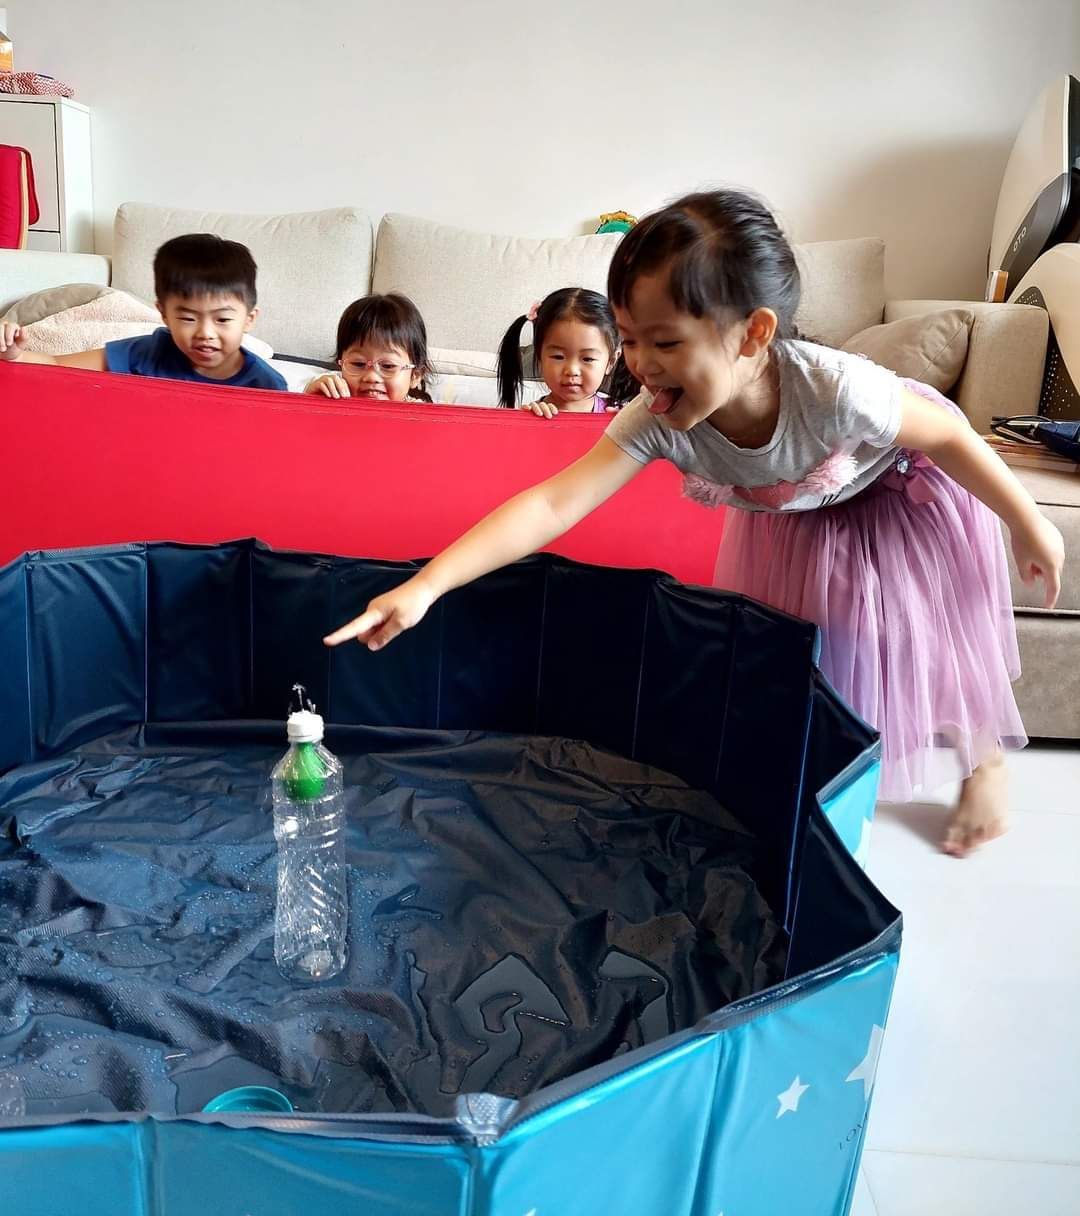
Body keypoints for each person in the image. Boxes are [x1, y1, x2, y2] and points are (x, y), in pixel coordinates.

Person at [323, 190, 1065, 857]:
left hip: (895, 501)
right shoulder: (662, 417)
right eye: (630, 339)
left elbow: (947, 435)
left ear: (752, 333)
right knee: (817, 660)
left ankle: (984, 760)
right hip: (795, 523)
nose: (641, 365)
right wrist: (426, 586)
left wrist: (1031, 524)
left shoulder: (838, 391)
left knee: (921, 641)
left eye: (666, 342)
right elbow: (553, 502)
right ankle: (821, 789)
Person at [0, 234, 286, 390]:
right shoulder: (146, 352)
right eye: (187, 318)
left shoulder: (266, 384)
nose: (205, 333)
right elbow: (55, 365)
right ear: (163, 314)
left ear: (249, 319)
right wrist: (14, 353)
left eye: (223, 319)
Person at [496, 286, 637, 417]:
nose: (572, 370)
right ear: (539, 356)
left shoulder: (618, 415)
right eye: (558, 356)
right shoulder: (535, 414)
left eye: (587, 359)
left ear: (611, 361)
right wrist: (526, 424)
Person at [305, 293, 433, 402]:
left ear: (415, 375)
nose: (371, 377)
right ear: (341, 366)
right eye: (358, 363)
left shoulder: (423, 419)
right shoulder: (334, 402)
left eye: (388, 366)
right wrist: (310, 402)